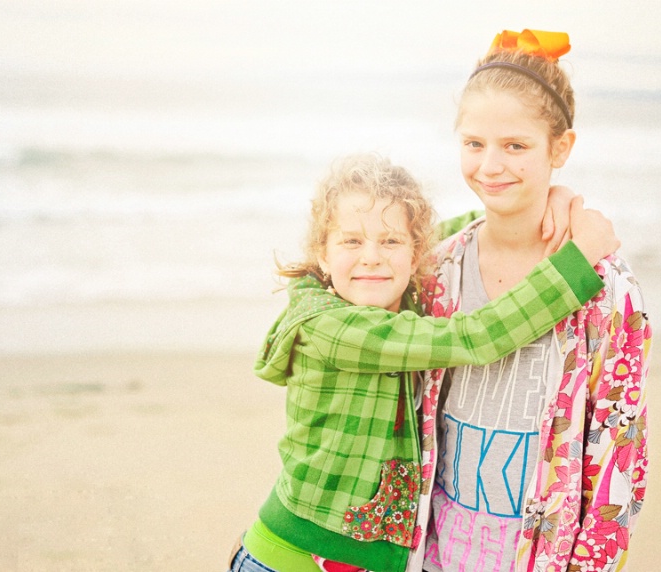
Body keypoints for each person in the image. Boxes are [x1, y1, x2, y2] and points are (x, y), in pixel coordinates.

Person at [228, 152, 620, 572]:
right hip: (292, 560)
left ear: (417, 253)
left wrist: (548, 201)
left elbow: (481, 229)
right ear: (322, 255)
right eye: (351, 241)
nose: (372, 257)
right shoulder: (333, 329)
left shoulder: (400, 296)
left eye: (392, 241)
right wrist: (580, 257)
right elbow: (478, 337)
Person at [415, 30, 652, 571]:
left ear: (560, 148)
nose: (490, 166)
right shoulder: (438, 271)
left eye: (515, 146)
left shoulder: (606, 289)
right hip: (436, 552)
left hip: (539, 557)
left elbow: (620, 452)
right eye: (474, 144)